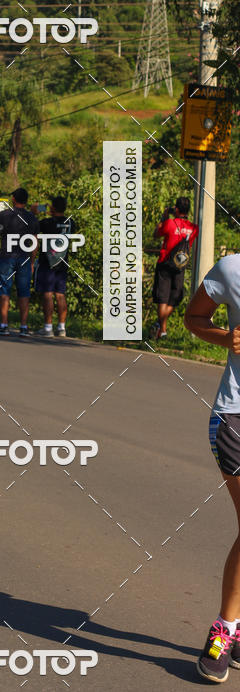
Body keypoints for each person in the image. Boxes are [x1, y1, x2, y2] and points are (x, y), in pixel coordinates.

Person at [185, 254, 240, 682]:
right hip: (236, 415)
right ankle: (223, 630)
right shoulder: (232, 268)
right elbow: (195, 317)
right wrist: (227, 338)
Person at [0, 187, 38, 336]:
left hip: (7, 257)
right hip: (24, 258)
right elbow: (35, 242)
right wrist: (32, 261)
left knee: (4, 290)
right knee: (24, 292)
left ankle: (4, 325)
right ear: (26, 201)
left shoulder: (4, 215)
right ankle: (23, 327)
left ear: (13, 199)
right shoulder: (32, 218)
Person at [152, 196, 198, 341]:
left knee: (162, 297)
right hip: (180, 265)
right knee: (175, 297)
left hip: (164, 263)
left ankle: (161, 327)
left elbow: (155, 235)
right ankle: (162, 329)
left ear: (176, 209)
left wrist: (164, 217)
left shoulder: (169, 224)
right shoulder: (194, 228)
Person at [34, 195, 75, 337]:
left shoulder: (46, 223)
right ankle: (62, 328)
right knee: (60, 294)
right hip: (62, 262)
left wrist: (35, 212)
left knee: (47, 293)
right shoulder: (71, 222)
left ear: (52, 207)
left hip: (47, 262)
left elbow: (34, 227)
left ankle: (48, 327)